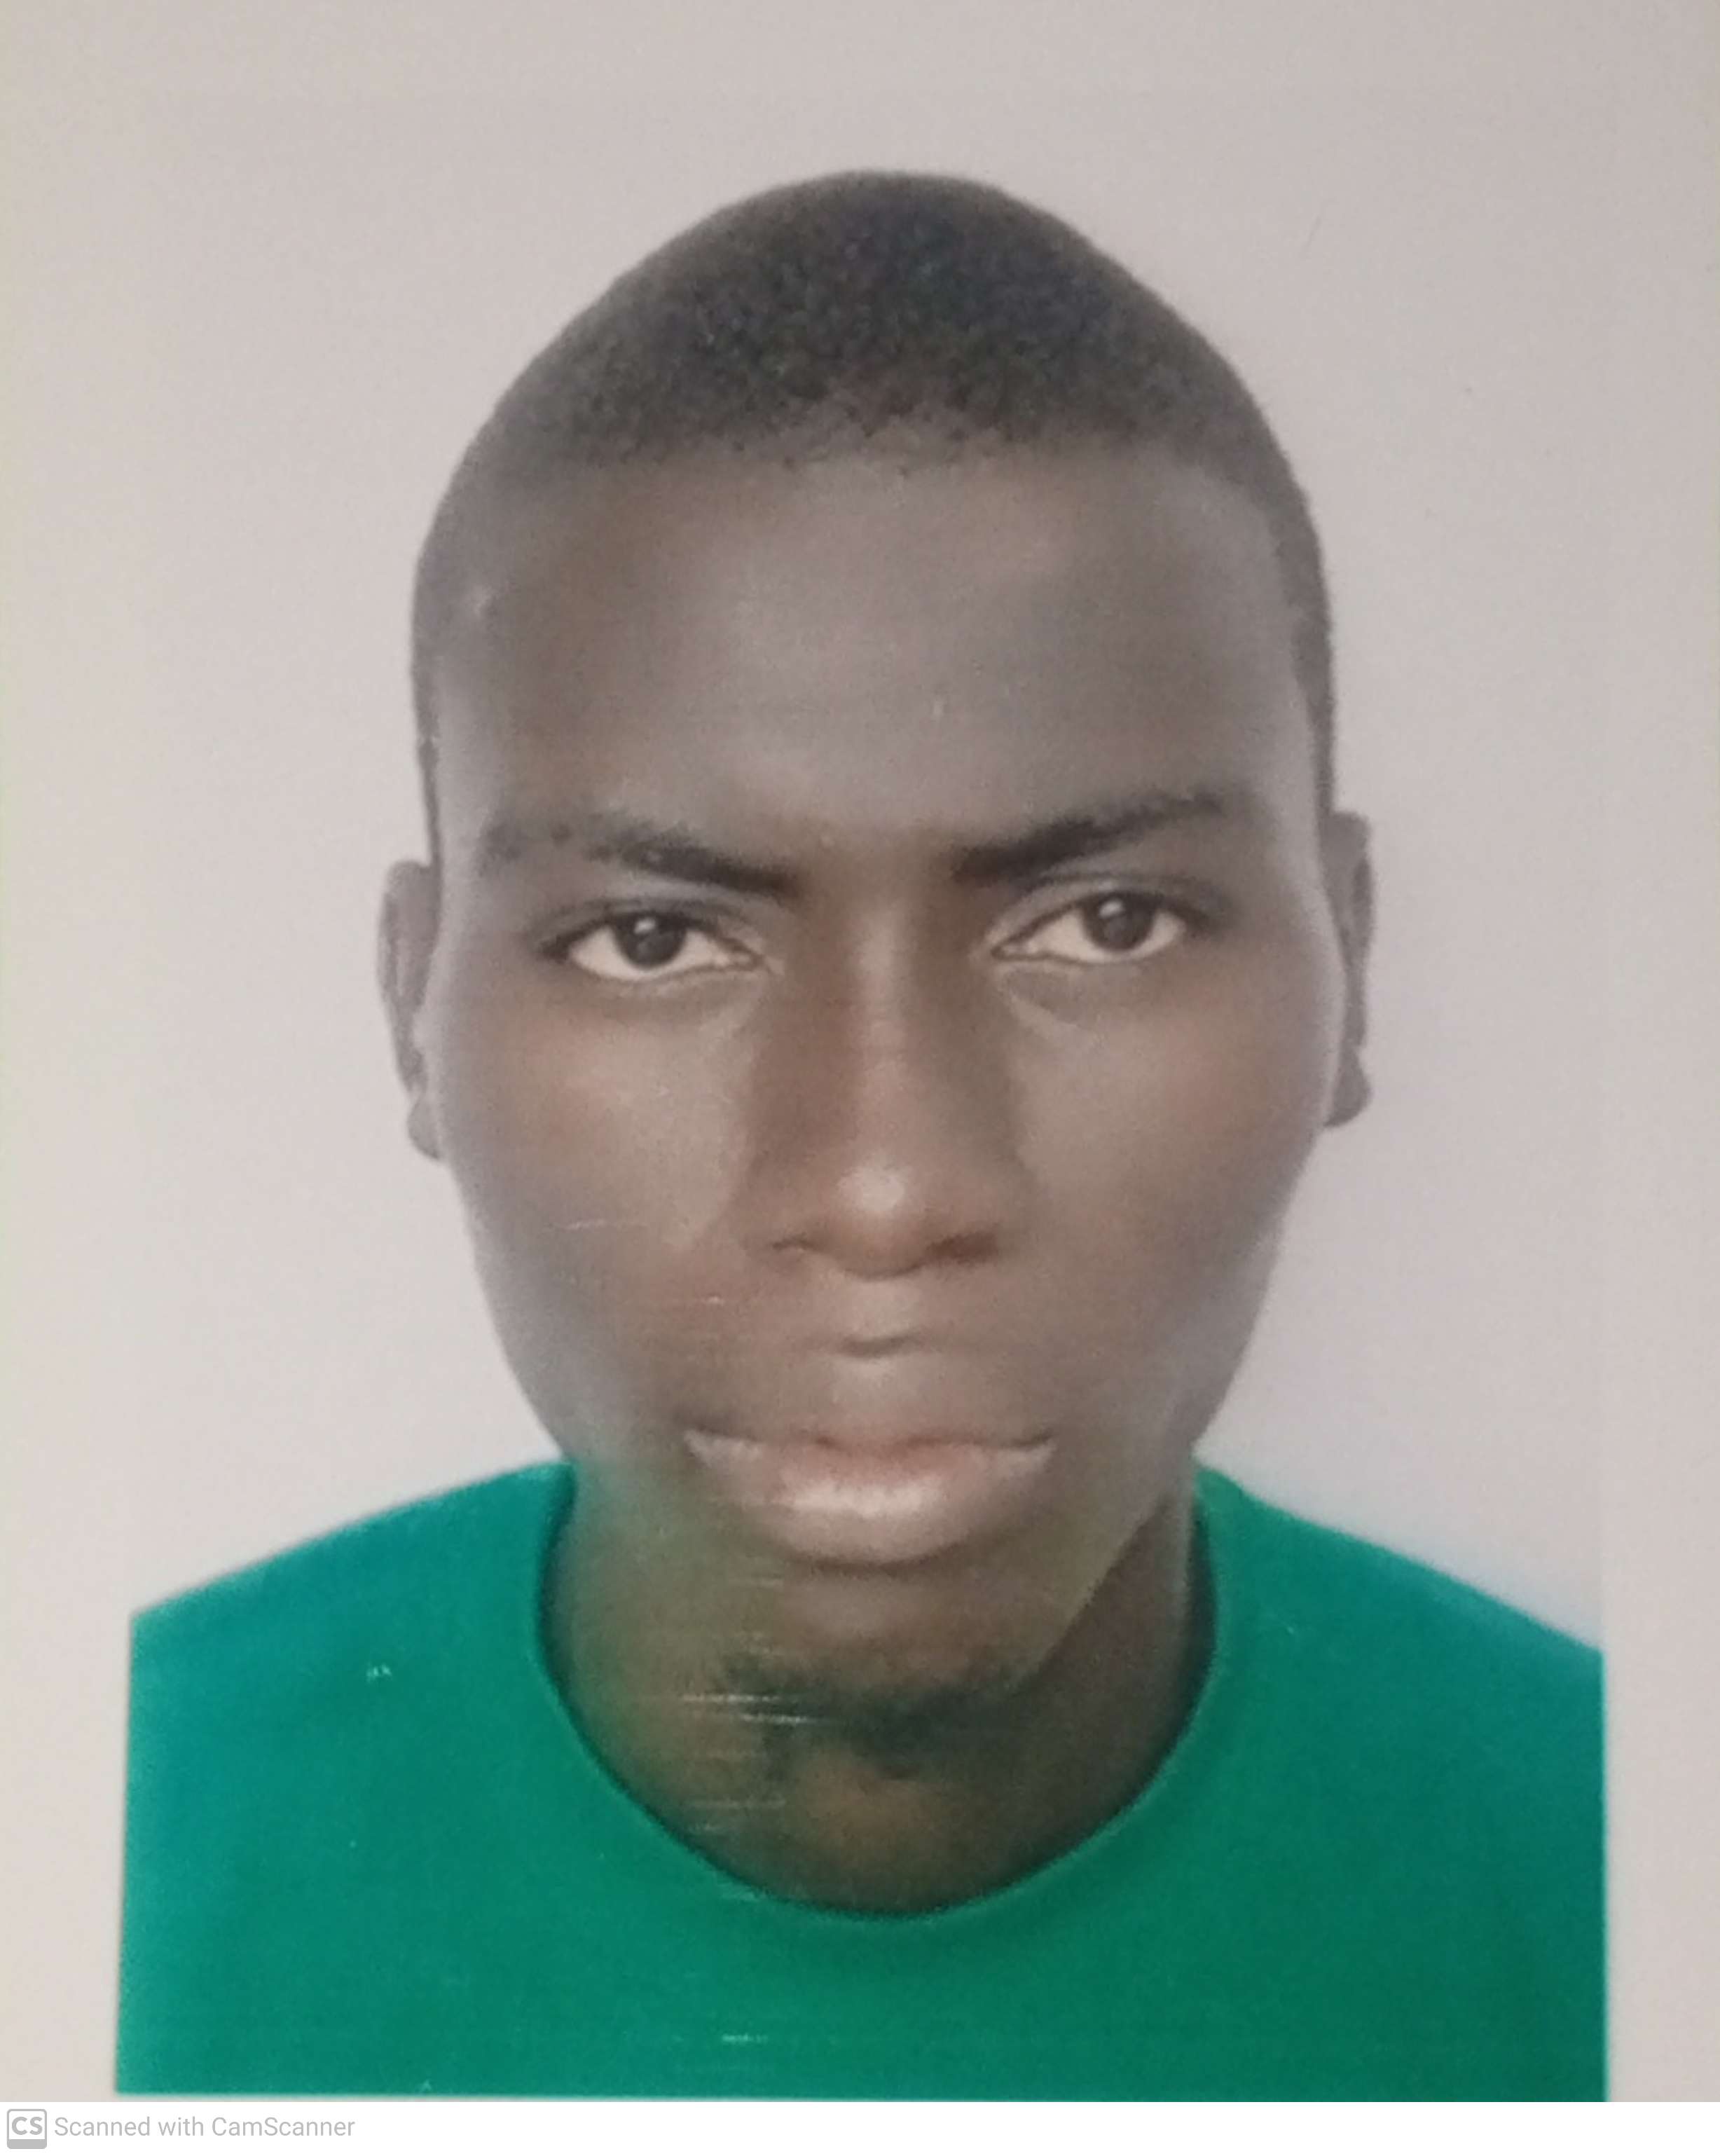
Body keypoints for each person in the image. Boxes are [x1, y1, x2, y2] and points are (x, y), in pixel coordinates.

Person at [117, 171, 1604, 2101]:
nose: (886, 1190)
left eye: (1109, 922)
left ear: (1353, 965)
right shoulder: (90, 1839)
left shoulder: (1621, 1871)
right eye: (654, 939)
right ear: (416, 1006)